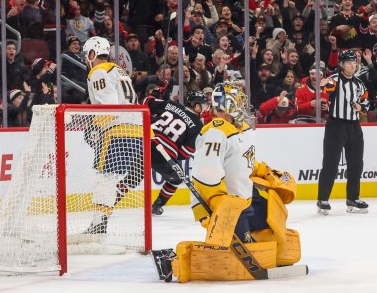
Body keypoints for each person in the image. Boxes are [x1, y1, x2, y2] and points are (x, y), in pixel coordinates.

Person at [153, 81, 301, 283]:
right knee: (235, 253)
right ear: (228, 104)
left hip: (245, 200)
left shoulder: (237, 130)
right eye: (238, 103)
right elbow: (206, 172)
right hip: (227, 206)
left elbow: (243, 161)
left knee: (271, 222)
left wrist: (264, 171)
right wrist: (216, 202)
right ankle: (174, 262)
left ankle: (262, 245)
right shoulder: (215, 130)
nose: (242, 107)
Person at [81, 36, 141, 236]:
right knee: (109, 177)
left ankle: (99, 225)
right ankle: (100, 223)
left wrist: (95, 127)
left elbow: (109, 106)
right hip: (134, 130)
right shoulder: (118, 70)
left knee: (103, 178)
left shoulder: (98, 71)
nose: (85, 59)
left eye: (86, 55)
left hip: (116, 130)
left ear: (92, 54)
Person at [317, 50, 370, 215]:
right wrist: (323, 86)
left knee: (356, 164)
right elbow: (325, 91)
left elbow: (366, 101)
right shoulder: (334, 80)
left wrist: (361, 107)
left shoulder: (359, 84)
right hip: (336, 125)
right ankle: (322, 199)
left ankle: (352, 198)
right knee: (331, 164)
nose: (352, 65)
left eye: (354, 62)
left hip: (354, 126)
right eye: (348, 62)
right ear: (341, 64)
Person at [146, 87, 204, 216]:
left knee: (134, 176)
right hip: (163, 154)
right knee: (176, 179)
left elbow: (146, 102)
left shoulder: (171, 104)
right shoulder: (198, 125)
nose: (205, 108)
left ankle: (108, 205)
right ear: (196, 105)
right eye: (203, 105)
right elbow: (185, 153)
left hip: (145, 140)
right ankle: (157, 206)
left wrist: (155, 93)